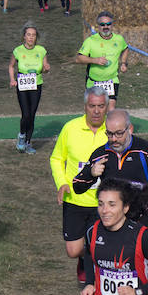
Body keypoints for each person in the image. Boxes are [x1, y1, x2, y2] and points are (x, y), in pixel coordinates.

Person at [73, 108, 148, 236]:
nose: (114, 139)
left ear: (130, 129)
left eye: (119, 133)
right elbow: (77, 186)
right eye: (109, 134)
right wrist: (90, 173)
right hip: (110, 225)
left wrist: (142, 201)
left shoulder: (146, 150)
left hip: (142, 223)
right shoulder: (100, 154)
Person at [50, 86, 110, 283]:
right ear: (85, 106)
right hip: (74, 200)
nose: (96, 111)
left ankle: (97, 276)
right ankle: (83, 258)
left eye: (101, 106)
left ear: (107, 107)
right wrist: (62, 183)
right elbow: (56, 159)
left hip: (102, 203)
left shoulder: (112, 132)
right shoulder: (70, 128)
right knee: (73, 250)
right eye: (92, 106)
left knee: (101, 245)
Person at [8, 21, 50, 155]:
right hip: (22, 84)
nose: (31, 37)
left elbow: (45, 68)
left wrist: (46, 69)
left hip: (36, 84)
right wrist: (12, 79)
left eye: (33, 35)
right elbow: (11, 66)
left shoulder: (41, 50)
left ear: (36, 37)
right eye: (28, 35)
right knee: (25, 114)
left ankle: (28, 143)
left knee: (32, 115)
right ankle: (21, 136)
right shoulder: (18, 50)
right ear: (24, 37)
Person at [76, 12, 128, 110]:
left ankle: (108, 125)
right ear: (98, 26)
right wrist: (94, 60)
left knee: (110, 109)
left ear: (112, 25)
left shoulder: (119, 39)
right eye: (102, 24)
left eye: (108, 24)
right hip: (94, 82)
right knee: (94, 111)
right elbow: (78, 58)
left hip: (111, 80)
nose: (105, 27)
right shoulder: (91, 41)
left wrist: (123, 63)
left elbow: (125, 49)